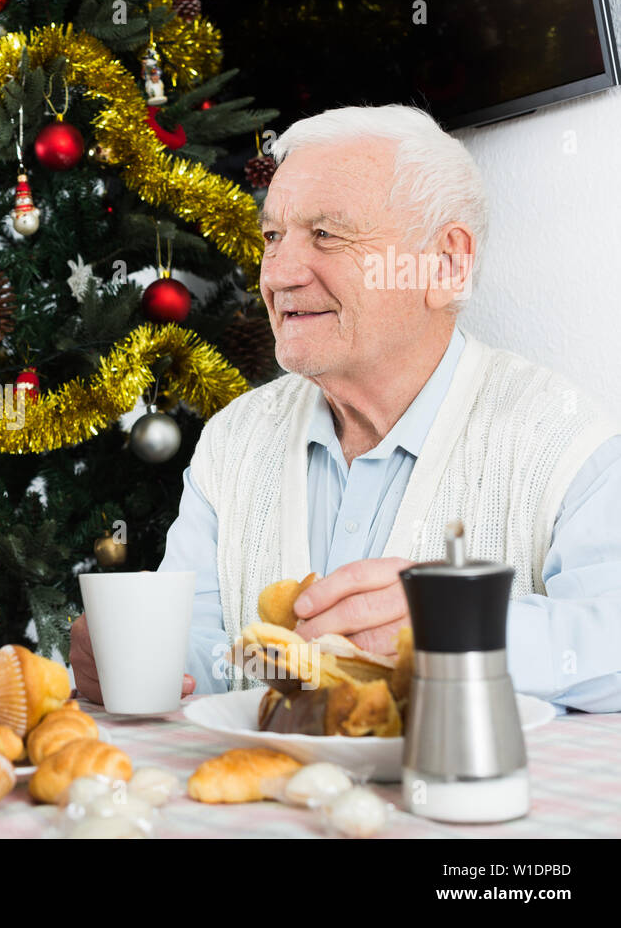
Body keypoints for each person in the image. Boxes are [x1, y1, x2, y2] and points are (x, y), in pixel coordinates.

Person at [71, 104, 621, 712]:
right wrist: (137, 656)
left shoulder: (563, 440)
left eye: (326, 234)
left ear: (446, 264)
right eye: (273, 236)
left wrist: (457, 628)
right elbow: (213, 660)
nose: (277, 274)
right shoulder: (233, 441)